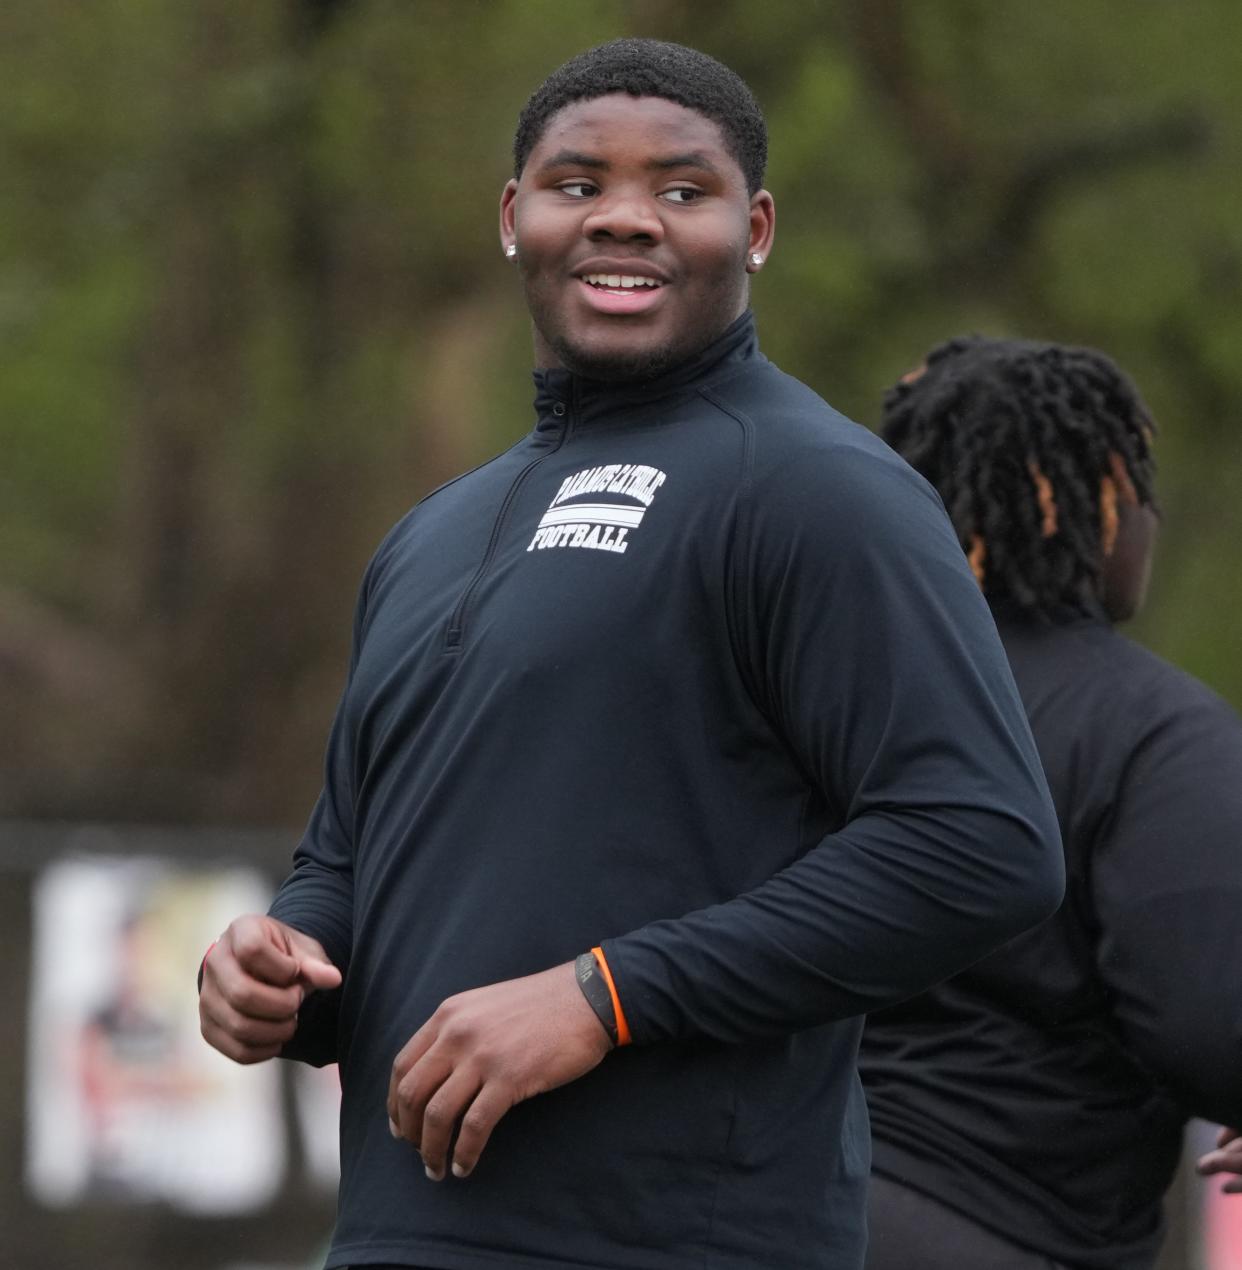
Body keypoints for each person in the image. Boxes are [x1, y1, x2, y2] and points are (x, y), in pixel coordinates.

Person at [198, 41, 1063, 1270]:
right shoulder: (430, 533)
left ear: (754, 227)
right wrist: (282, 964)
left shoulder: (812, 489)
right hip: (402, 1235)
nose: (623, 218)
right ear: (513, 216)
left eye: (680, 190)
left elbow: (982, 841)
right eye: (576, 183)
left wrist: (607, 995)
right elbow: (348, 850)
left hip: (678, 1240)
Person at [861, 335, 1242, 1270]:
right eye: (1138, 484)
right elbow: (1211, 1017)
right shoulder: (1152, 729)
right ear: (1096, 505)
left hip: (760, 1205)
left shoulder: (811, 694)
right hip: (1005, 1220)